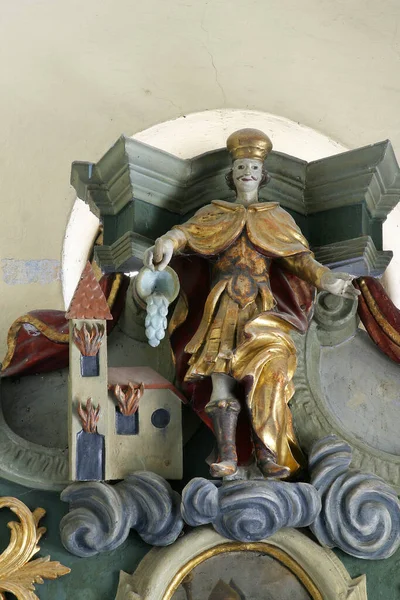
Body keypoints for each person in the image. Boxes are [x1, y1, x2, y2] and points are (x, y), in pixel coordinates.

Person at [143, 128, 359, 479]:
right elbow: (186, 234)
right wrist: (167, 240)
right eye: (241, 166)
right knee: (221, 378)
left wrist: (328, 279)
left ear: (263, 175)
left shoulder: (277, 218)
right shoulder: (215, 213)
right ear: (232, 175)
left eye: (253, 168)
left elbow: (301, 261)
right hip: (223, 304)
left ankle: (267, 453)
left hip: (263, 310)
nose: (247, 172)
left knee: (271, 375)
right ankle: (227, 452)